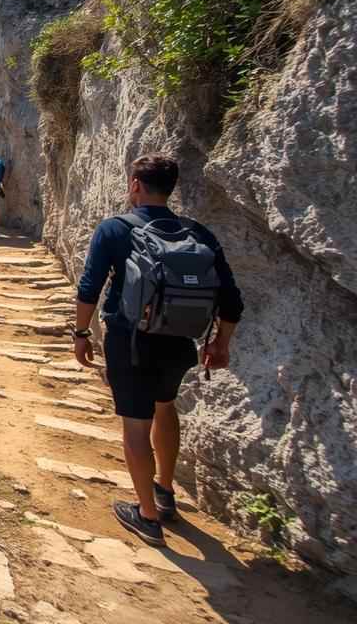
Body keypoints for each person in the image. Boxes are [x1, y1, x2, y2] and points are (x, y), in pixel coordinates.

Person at [72, 155, 242, 548]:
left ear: (135, 185)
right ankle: (165, 490)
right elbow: (231, 299)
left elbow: (89, 288)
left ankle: (147, 515)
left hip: (130, 341)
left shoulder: (115, 229)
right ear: (171, 187)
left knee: (135, 422)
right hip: (181, 340)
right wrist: (221, 343)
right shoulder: (197, 233)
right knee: (166, 407)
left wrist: (81, 332)